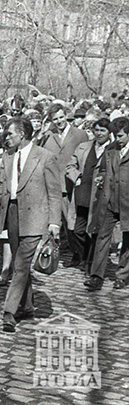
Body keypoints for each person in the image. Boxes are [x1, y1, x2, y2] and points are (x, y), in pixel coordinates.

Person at [0, 118, 61, 332]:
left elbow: (54, 192)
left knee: (21, 264)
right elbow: (2, 184)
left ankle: (10, 312)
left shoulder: (45, 157)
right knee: (18, 264)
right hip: (12, 213)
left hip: (35, 218)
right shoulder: (8, 156)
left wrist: (54, 222)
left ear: (22, 134)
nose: (7, 138)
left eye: (11, 135)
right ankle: (28, 306)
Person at [43, 103, 90, 267]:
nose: (59, 121)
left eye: (62, 117)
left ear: (66, 116)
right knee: (64, 221)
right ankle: (76, 254)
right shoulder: (50, 137)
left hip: (76, 184)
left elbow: (88, 157)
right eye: (55, 119)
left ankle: (85, 254)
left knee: (76, 222)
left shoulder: (80, 134)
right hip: (58, 185)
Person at [68, 117, 111, 289]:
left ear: (109, 133)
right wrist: (76, 176)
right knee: (77, 229)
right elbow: (70, 165)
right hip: (82, 193)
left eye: (103, 131)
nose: (99, 134)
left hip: (99, 197)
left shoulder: (111, 150)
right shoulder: (84, 147)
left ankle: (90, 264)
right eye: (97, 130)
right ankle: (85, 255)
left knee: (95, 232)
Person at [87, 117, 129, 290]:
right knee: (102, 237)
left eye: (120, 136)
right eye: (115, 135)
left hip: (127, 203)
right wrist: (101, 178)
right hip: (110, 202)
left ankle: (122, 275)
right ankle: (96, 276)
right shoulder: (110, 150)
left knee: (127, 240)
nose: (117, 139)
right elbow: (104, 169)